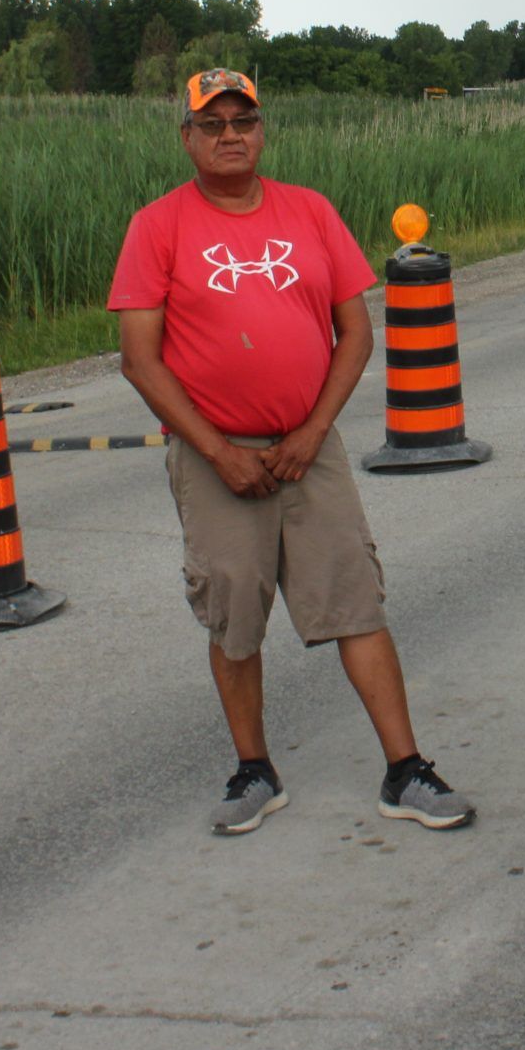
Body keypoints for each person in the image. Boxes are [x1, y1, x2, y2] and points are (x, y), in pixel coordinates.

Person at [109, 67, 474, 835]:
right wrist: (217, 451)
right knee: (233, 613)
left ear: (262, 130)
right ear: (187, 137)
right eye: (213, 124)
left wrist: (312, 432)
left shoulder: (309, 210)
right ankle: (255, 770)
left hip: (311, 448)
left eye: (243, 121)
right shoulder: (157, 226)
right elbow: (140, 359)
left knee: (356, 600)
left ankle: (406, 769)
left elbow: (357, 331)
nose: (230, 135)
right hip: (216, 456)